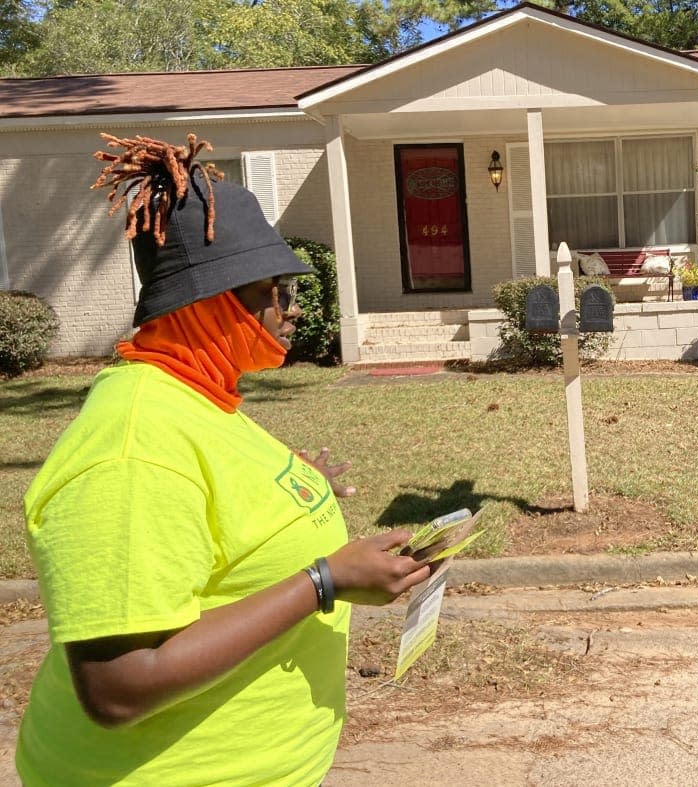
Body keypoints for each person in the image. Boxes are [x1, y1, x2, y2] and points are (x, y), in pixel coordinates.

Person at [16, 133, 434, 786]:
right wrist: (321, 580)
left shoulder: (198, 397)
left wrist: (296, 497)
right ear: (211, 298)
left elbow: (215, 518)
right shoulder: (130, 446)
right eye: (275, 290)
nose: (291, 311)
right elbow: (119, 687)